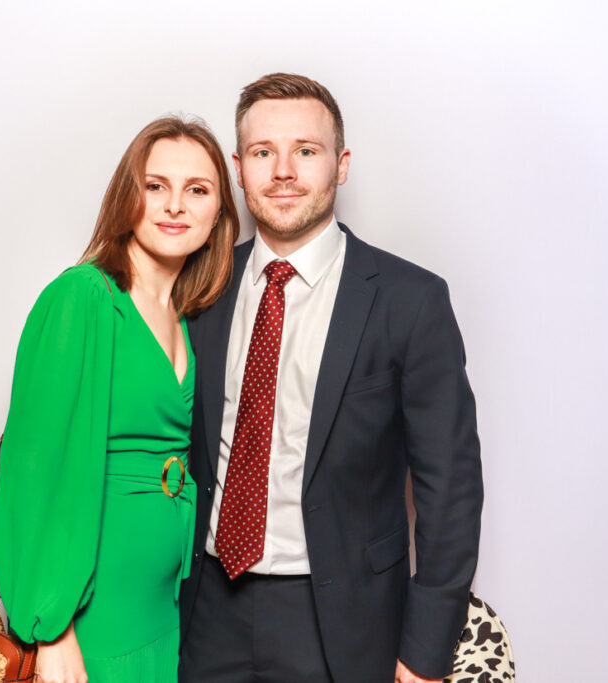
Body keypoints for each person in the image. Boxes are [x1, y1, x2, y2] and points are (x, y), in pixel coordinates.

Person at [179, 74, 484, 683]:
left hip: (342, 626)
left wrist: (424, 656)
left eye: (306, 151)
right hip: (205, 611)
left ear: (340, 165)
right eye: (264, 153)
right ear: (239, 170)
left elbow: (450, 491)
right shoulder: (199, 287)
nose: (284, 171)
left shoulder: (410, 301)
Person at [0, 116, 240, 683]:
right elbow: (34, 470)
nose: (174, 205)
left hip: (166, 608)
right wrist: (51, 629)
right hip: (93, 615)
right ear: (127, 195)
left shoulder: (193, 314)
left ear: (219, 214)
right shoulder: (82, 297)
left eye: (197, 190)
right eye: (155, 186)